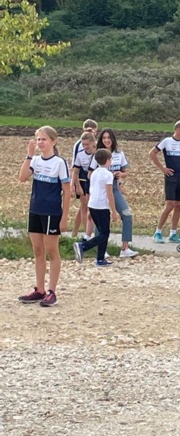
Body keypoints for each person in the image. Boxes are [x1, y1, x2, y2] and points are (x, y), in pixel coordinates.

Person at [18, 126, 71, 307]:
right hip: (35, 210)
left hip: (51, 212)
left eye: (44, 139)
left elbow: (67, 191)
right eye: (38, 139)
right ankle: (39, 289)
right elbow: (22, 177)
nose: (40, 142)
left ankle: (52, 291)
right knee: (38, 250)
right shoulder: (36, 160)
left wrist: (64, 217)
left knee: (51, 250)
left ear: (53, 142)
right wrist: (29, 155)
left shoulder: (59, 163)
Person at [90, 128, 138, 258]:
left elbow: (125, 172)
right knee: (101, 219)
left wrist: (120, 174)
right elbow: (90, 173)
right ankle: (102, 249)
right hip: (101, 190)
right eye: (104, 138)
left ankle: (125, 248)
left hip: (114, 188)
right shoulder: (97, 154)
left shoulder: (119, 154)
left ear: (112, 139)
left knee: (127, 215)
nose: (106, 140)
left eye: (108, 138)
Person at [73, 149, 120, 267]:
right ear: (108, 160)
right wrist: (114, 211)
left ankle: (100, 258)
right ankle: (83, 246)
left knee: (102, 232)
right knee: (104, 234)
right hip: (102, 207)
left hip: (92, 204)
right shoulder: (108, 175)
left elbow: (92, 189)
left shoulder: (94, 173)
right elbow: (110, 193)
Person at [150, 120, 180, 244]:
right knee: (170, 205)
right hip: (171, 176)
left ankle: (173, 233)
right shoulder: (167, 141)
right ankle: (158, 232)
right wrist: (162, 168)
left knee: (179, 205)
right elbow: (152, 153)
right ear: (178, 129)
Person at [71, 119, 98, 239]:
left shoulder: (97, 148)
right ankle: (87, 234)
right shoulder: (79, 146)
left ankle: (75, 231)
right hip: (82, 178)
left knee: (84, 206)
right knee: (84, 206)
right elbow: (75, 167)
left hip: (93, 179)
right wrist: (74, 184)